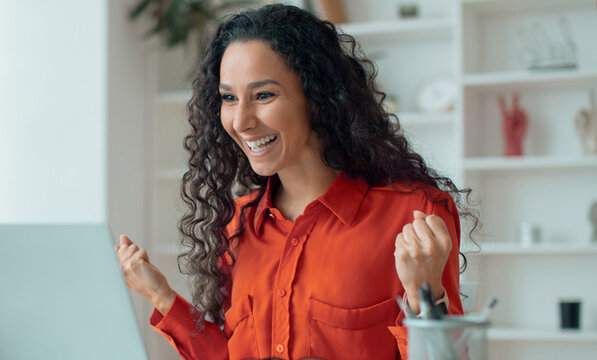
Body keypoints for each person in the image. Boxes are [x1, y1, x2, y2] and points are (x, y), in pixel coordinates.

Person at [115, 4, 477, 360]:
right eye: (228, 98)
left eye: (263, 95)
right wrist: (160, 295)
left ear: (317, 98)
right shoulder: (239, 226)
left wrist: (425, 296)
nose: (241, 121)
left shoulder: (414, 215)